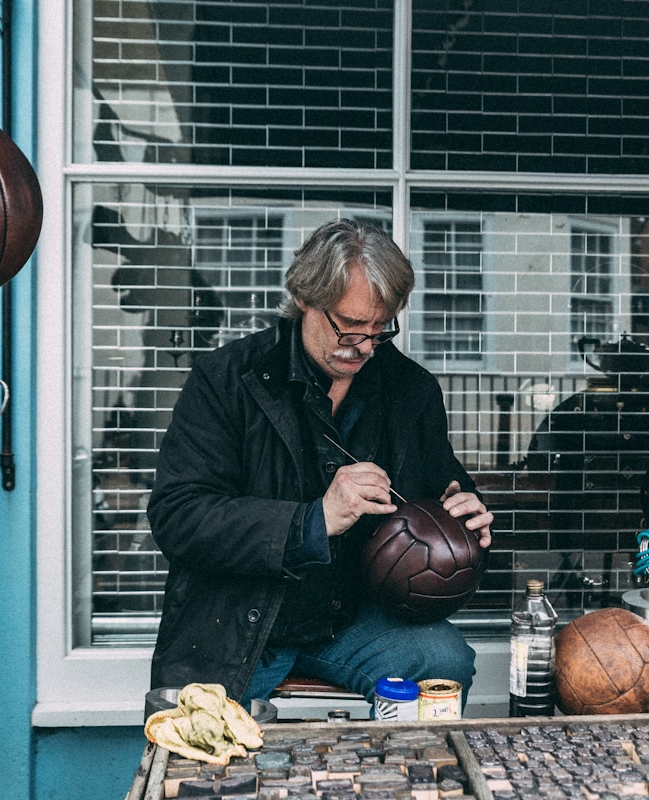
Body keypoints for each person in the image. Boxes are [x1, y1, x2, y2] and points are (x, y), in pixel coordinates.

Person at [147, 218, 494, 707]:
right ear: (304, 297)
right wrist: (314, 520)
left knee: (443, 662)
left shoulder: (410, 390)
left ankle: (405, 761)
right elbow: (177, 516)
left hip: (354, 619)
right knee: (199, 742)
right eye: (350, 326)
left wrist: (465, 519)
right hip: (240, 622)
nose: (365, 347)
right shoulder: (226, 379)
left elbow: (442, 489)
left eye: (380, 329)